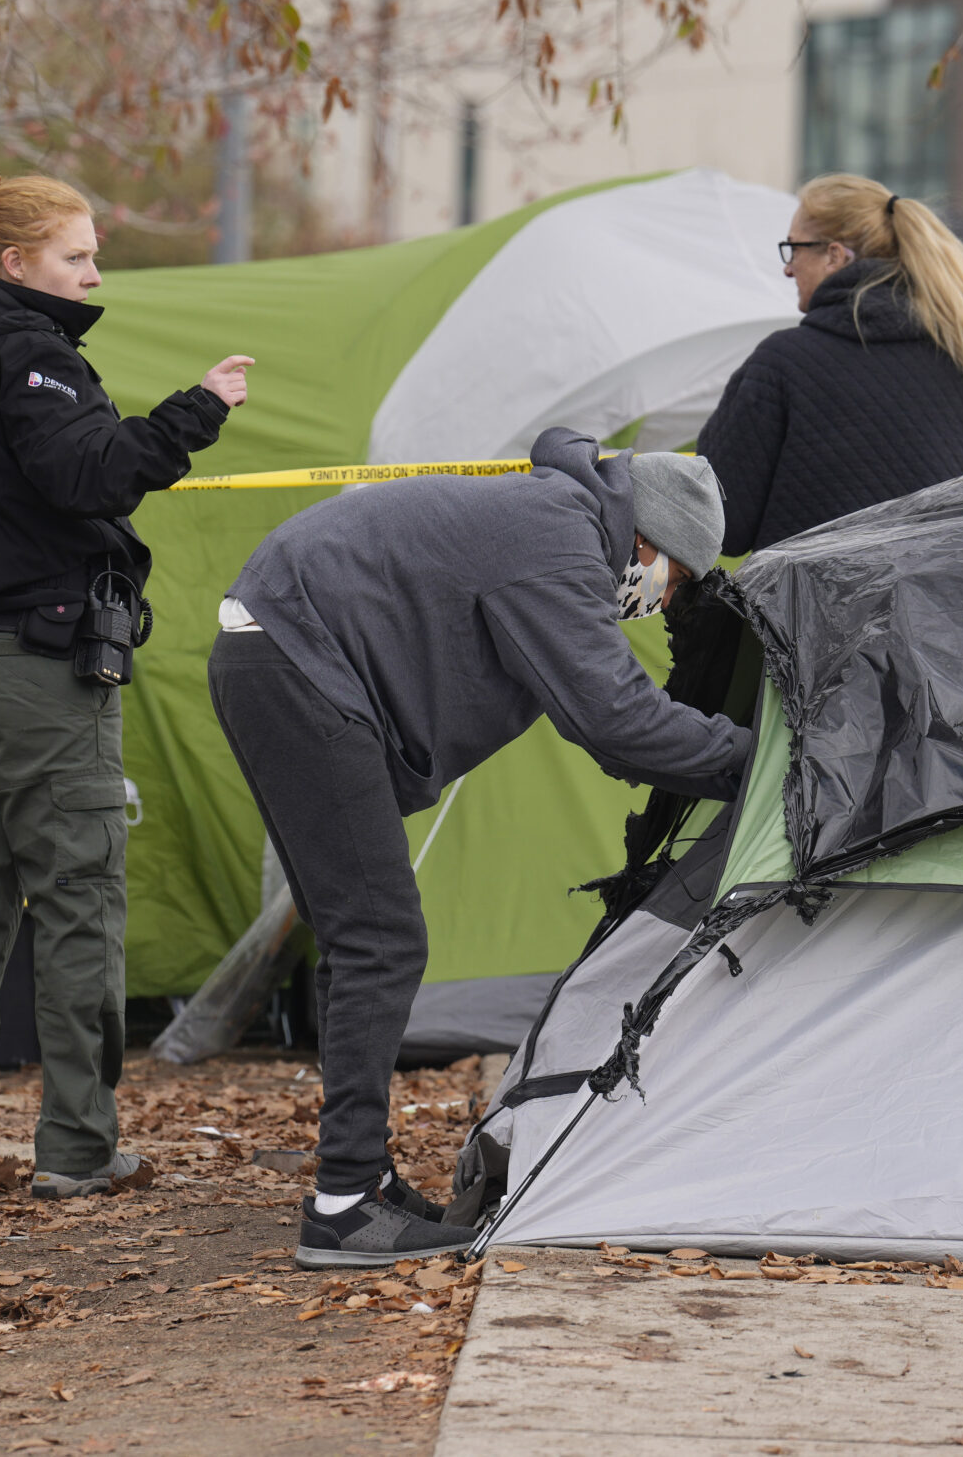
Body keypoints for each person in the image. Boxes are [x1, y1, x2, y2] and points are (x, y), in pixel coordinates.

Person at [211, 428, 754, 1266]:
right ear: (647, 541)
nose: (658, 598)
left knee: (361, 935)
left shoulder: (553, 516)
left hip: (273, 645)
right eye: (671, 579)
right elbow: (616, 721)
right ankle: (345, 1206)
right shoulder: (560, 541)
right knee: (382, 938)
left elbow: (602, 724)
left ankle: (363, 1180)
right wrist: (756, 763)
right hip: (299, 659)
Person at [0, 170, 251, 1203]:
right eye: (78, 256)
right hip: (36, 671)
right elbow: (91, 474)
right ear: (15, 263)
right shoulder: (30, 356)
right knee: (80, 908)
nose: (94, 273)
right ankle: (77, 1149)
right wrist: (195, 411)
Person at [697, 173, 963, 555]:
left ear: (834, 256)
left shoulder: (782, 364)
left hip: (805, 614)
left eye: (793, 249)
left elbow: (718, 522)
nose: (788, 268)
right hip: (956, 612)